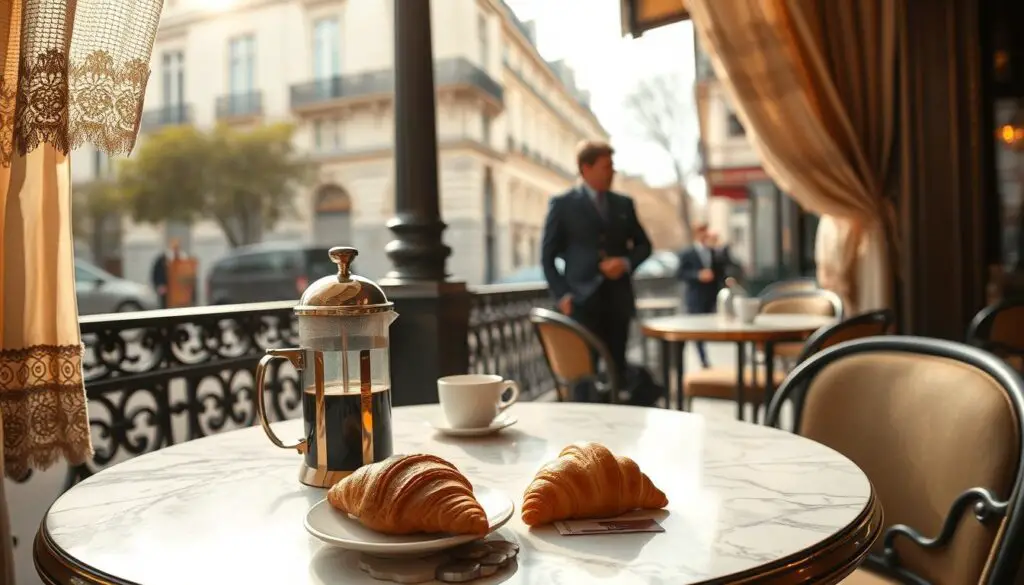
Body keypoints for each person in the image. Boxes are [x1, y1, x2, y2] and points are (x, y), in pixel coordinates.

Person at [541, 141, 652, 401]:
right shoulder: (562, 204)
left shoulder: (624, 204)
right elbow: (547, 258)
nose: (612, 172)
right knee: (582, 377)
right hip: (581, 303)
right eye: (606, 166)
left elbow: (644, 246)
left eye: (612, 166)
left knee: (618, 371)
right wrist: (563, 296)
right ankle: (582, 437)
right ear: (586, 168)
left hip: (618, 301)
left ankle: (617, 431)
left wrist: (624, 262)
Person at [677, 224, 737, 368]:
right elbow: (680, 273)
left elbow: (722, 270)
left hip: (711, 294)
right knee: (696, 328)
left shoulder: (713, 252)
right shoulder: (688, 253)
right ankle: (703, 359)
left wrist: (727, 279)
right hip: (696, 295)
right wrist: (697, 275)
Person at [151, 238, 186, 309]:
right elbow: (156, 273)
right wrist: (159, 285)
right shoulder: (163, 259)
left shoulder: (183, 259)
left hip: (180, 292)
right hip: (166, 291)